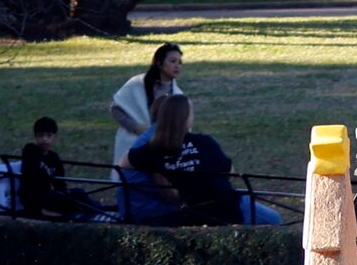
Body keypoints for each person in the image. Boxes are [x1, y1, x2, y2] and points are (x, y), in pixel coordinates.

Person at [127, 95, 276, 226]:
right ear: (185, 117)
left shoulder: (153, 150)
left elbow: (124, 164)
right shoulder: (204, 143)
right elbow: (229, 172)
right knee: (275, 219)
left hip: (193, 211)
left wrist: (158, 173)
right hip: (228, 207)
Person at [111, 42, 182, 180]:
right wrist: (136, 128)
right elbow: (116, 109)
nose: (177, 65)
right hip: (133, 144)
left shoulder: (179, 95)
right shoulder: (136, 84)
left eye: (180, 62)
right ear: (159, 63)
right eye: (172, 61)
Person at [15, 117, 91, 220]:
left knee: (78, 192)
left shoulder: (54, 157)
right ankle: (44, 211)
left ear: (54, 137)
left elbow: (60, 182)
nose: (45, 139)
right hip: (35, 196)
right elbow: (32, 179)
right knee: (67, 200)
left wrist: (64, 193)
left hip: (49, 194)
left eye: (48, 135)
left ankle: (100, 208)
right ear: (35, 136)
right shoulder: (31, 151)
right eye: (41, 135)